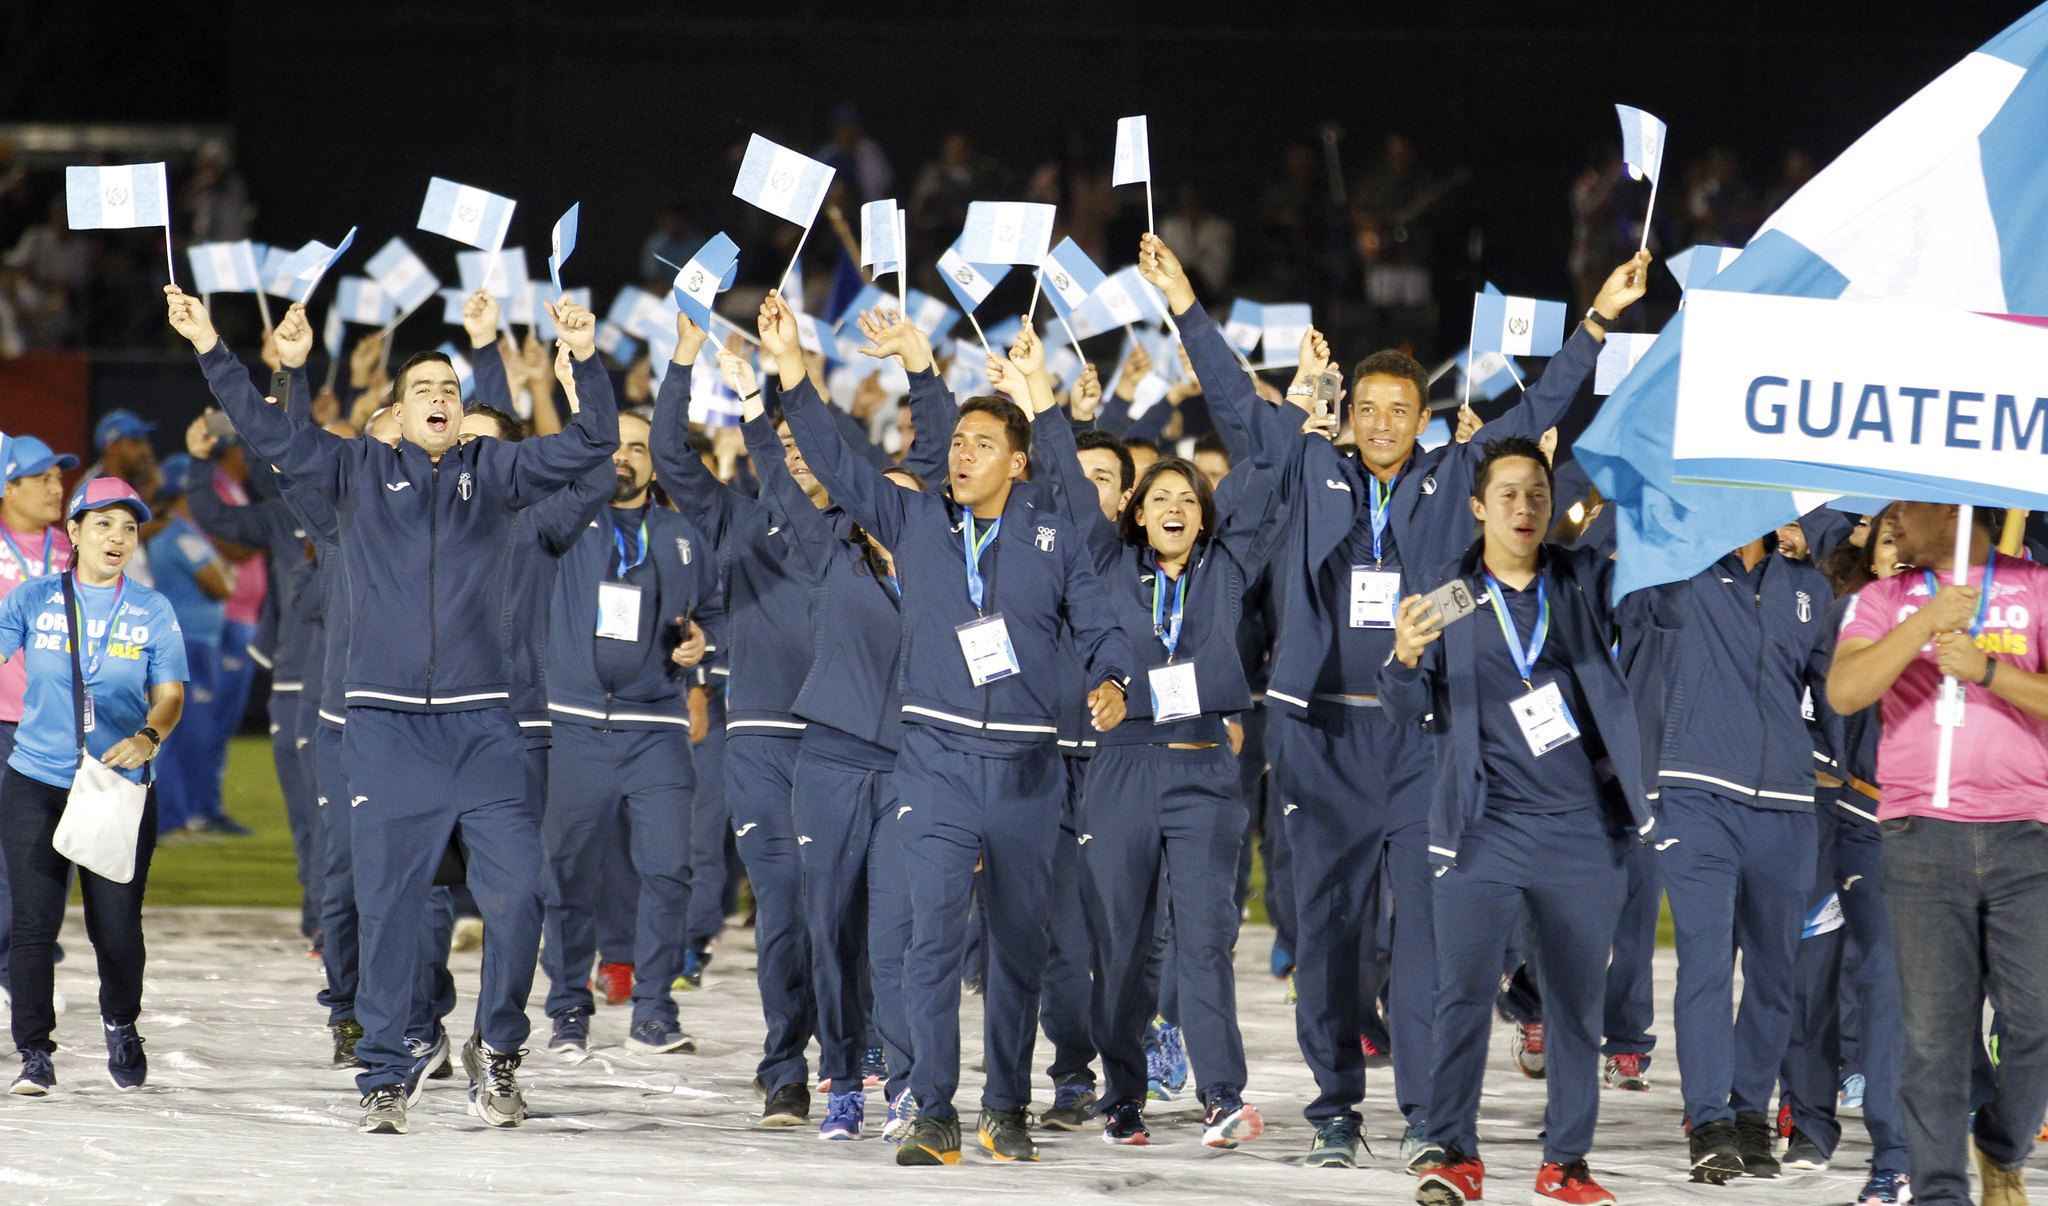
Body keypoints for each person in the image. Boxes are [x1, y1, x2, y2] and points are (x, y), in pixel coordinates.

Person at [1190, 228, 1650, 1168]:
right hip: (1316, 738)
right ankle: (1333, 1103)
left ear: (1425, 419)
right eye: (1369, 408)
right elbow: (1237, 404)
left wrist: (1598, 320)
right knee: (1326, 931)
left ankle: (1425, 1115)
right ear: (1349, 414)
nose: (1385, 423)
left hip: (1417, 741)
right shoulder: (1310, 472)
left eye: (1402, 410)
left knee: (1430, 938)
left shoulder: (1450, 486)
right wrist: (1186, 309)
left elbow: (1538, 412)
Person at [168, 287, 618, 1135]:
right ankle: (383, 1070)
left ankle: (498, 1048)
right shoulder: (355, 469)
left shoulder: (496, 473)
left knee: (520, 897)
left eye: (450, 389)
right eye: (423, 390)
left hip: (485, 729)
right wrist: (211, 346)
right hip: (385, 730)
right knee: (391, 906)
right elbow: (266, 434)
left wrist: (585, 361)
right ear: (398, 415)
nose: (441, 398)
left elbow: (595, 441)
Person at [765, 289, 1134, 1167]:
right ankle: (932, 1106)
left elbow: (1103, 622)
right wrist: (791, 371)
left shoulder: (1054, 535)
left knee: (1016, 947)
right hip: (929, 763)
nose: (963, 455)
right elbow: (838, 462)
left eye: (981, 445)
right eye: (957, 442)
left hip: (1025, 772)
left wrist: (1115, 678)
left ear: (1017, 462)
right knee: (930, 938)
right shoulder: (917, 519)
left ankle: (1005, 1104)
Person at [1021, 252, 1284, 1148]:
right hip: (1124, 775)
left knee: (1204, 945)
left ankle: (1222, 1096)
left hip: (1205, 773)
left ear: (1207, 516)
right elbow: (1060, 474)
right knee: (1122, 951)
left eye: (1189, 497)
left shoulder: (1230, 568)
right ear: (1134, 513)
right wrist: (1045, 405)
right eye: (1159, 496)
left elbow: (1263, 448)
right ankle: (1123, 1094)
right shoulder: (1103, 564)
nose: (1175, 505)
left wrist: (1184, 308)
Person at [1383, 437, 1674, 1206]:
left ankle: (1565, 1162)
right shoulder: (1448, 593)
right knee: (1463, 992)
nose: (1524, 506)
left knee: (1578, 1006)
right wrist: (1405, 659)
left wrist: (1649, 494)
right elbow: (1405, 709)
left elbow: (1657, 584)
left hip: (1582, 828)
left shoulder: (1580, 580)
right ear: (1478, 507)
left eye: (1537, 494)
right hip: (1484, 828)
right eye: (1507, 494)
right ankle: (1453, 1152)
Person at [1829, 502, 2048, 1206]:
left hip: (2027, 830)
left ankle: (2002, 1144)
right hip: (1920, 833)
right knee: (1931, 1037)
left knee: (2038, 1019)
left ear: (1952, 507)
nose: (1891, 523)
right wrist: (1924, 623)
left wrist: (1988, 670)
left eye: (1906, 509)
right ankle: (1939, 1194)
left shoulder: (2037, 587)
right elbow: (1845, 690)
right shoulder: (1883, 597)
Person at [651, 311, 819, 1129]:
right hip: (759, 744)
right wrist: (686, 361)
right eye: (779, 450)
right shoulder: (739, 522)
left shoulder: (869, 529)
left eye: (804, 449)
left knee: (856, 912)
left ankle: (859, 1054)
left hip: (854, 752)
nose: (792, 461)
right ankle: (786, 1065)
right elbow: (669, 456)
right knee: (783, 908)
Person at [1653, 527, 1840, 1185]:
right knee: (1705, 962)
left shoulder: (1810, 588)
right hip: (1696, 794)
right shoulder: (1683, 573)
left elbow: (1832, 699)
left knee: (1774, 973)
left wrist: (1833, 758)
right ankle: (1709, 1121)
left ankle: (1750, 1115)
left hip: (1788, 807)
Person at [534, 395, 717, 1058]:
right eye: (614, 445)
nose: (624, 456)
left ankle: (654, 1007)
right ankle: (566, 1010)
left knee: (670, 870)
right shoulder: (562, 523)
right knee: (566, 872)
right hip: (575, 727)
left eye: (638, 447)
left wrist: (703, 643)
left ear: (657, 464)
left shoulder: (683, 536)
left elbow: (714, 612)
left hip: (656, 728)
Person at [3, 477, 187, 1095]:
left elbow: (170, 695)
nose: (117, 537)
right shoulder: (31, 600)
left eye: (129, 526)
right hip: (36, 778)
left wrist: (149, 737)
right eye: (103, 523)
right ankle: (33, 1052)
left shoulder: (152, 609)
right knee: (33, 924)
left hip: (117, 784)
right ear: (74, 533)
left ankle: (121, 1022)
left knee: (115, 927)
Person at [1777, 512, 1910, 1206]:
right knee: (1811, 968)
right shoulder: (1844, 617)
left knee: (1888, 984)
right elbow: (1812, 706)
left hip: (1915, 828)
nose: (1903, 556)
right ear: (1869, 551)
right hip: (1838, 816)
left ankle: (1898, 1147)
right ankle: (1810, 1120)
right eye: (1892, 542)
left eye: (1914, 545)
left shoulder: (1964, 620)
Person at [0, 434, 75, 1002]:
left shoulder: (77, 551)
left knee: (53, 855)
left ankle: (28, 955)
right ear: (8, 485)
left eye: (58, 476)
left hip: (59, 728)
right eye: (42, 477)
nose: (57, 487)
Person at [142, 456, 233, 836]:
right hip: (188, 644)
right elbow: (221, 585)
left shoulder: (174, 531)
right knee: (184, 733)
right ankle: (174, 817)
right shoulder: (179, 533)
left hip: (189, 641)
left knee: (185, 732)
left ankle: (183, 815)